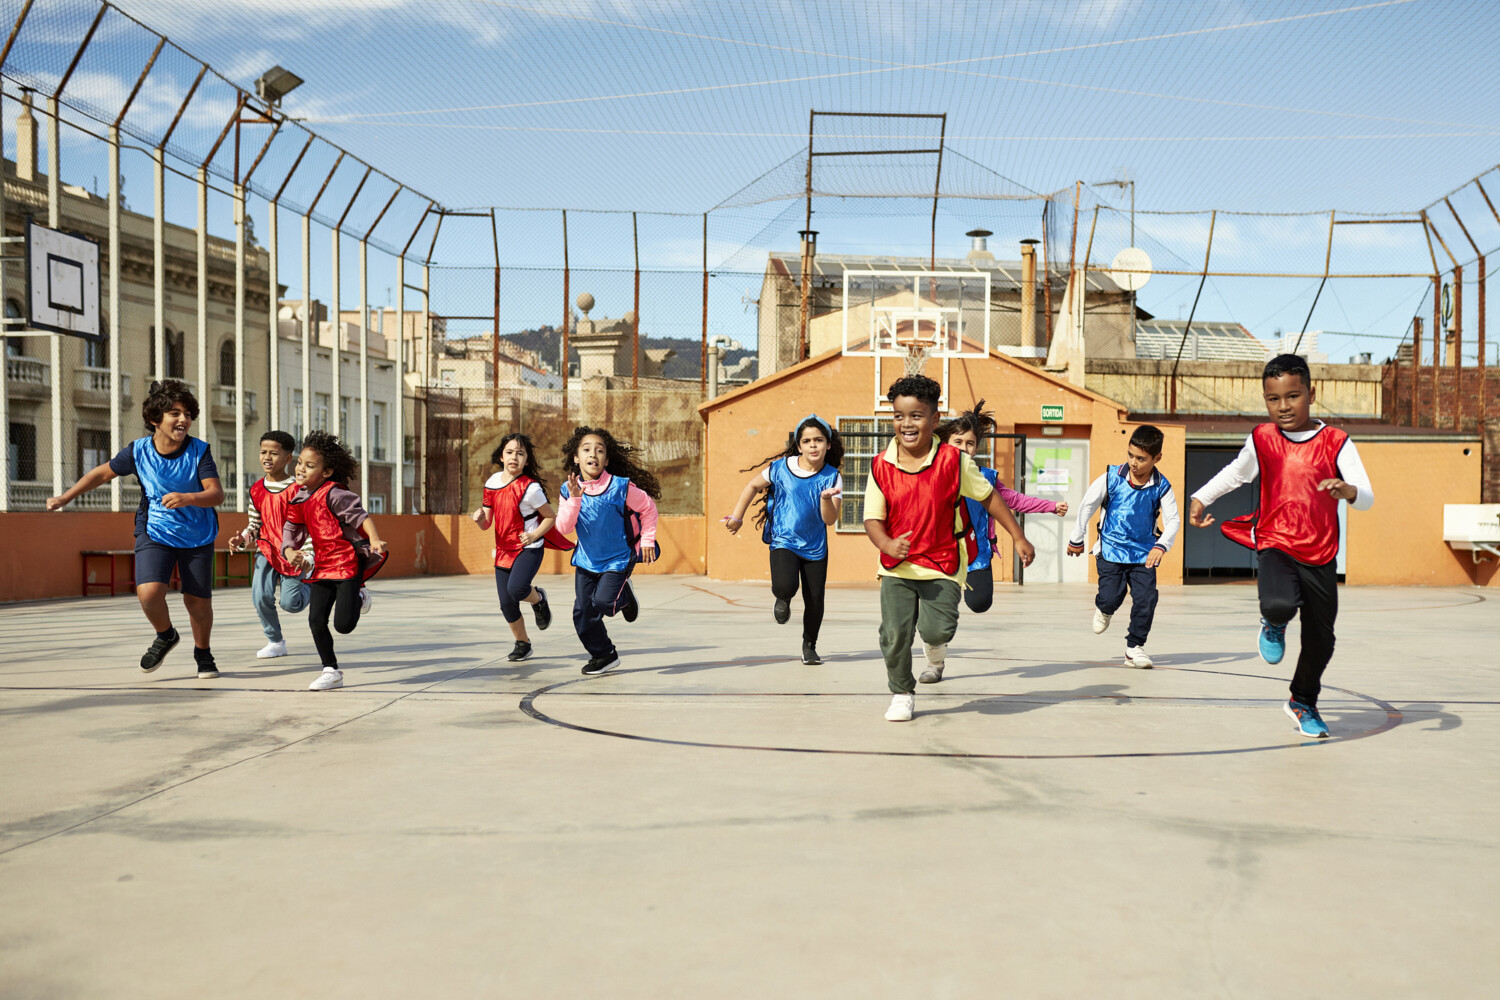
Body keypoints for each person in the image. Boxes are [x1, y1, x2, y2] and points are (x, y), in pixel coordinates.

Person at [1188, 354, 1374, 739]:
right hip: (1275, 541)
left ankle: (1302, 701)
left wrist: (1349, 490)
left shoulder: (1337, 442)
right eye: (1274, 399)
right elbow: (1237, 474)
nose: (1284, 407)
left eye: (1293, 396)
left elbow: (1368, 495)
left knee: (1322, 640)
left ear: (1311, 393)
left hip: (1321, 552)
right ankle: (1273, 625)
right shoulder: (1263, 439)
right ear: (1265, 399)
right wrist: (1201, 498)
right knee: (1279, 604)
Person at [863, 375, 1036, 721]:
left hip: (943, 562)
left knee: (936, 630)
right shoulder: (881, 465)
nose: (906, 424)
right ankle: (901, 692)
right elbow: (872, 518)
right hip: (897, 566)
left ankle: (935, 651)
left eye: (916, 415)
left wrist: (1018, 536)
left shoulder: (954, 462)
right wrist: (886, 542)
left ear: (934, 420)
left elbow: (991, 499)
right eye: (899, 416)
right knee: (894, 632)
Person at [47, 379, 224, 678]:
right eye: (175, 413)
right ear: (156, 419)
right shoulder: (138, 451)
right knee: (149, 594)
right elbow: (101, 473)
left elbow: (216, 494)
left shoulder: (199, 451)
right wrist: (66, 496)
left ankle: (203, 654)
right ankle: (166, 634)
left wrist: (189, 498)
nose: (183, 420)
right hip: (154, 529)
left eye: (187, 414)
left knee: (197, 601)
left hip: (197, 532)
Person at [722, 414, 843, 665]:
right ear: (799, 446)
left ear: (828, 444)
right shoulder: (780, 468)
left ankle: (809, 645)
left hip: (815, 547)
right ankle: (783, 597)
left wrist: (825, 498)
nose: (813, 445)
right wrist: (737, 517)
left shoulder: (832, 477)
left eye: (818, 440)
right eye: (807, 441)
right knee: (785, 586)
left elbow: (830, 520)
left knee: (815, 599)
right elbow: (752, 486)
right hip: (783, 540)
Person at [938, 399, 1068, 626]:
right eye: (957, 441)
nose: (963, 447)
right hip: (941, 551)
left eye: (970, 443)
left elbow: (1015, 500)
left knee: (980, 603)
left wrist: (1050, 506)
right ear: (945, 444)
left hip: (975, 552)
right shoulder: (932, 473)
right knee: (938, 608)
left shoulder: (985, 478)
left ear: (976, 448)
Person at [281, 431, 389, 691]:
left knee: (344, 626)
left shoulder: (336, 494)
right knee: (316, 620)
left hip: (347, 562)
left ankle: (360, 596)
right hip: (322, 565)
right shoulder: (299, 496)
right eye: (299, 463)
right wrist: (288, 551)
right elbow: (291, 528)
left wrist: (374, 539)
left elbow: (362, 517)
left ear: (327, 472)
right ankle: (331, 670)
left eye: (309, 465)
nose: (301, 469)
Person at [1066, 425, 1179, 669]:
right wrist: (1077, 537)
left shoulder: (1162, 486)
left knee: (1147, 599)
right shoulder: (1112, 477)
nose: (1133, 462)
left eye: (1141, 458)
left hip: (1143, 554)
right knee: (1110, 597)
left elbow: (1173, 521)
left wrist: (1161, 545)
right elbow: (1087, 505)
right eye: (1130, 455)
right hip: (1111, 550)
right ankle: (1104, 609)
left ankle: (1134, 647)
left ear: (1157, 458)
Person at [555, 426, 661, 676]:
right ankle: (604, 655)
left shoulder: (620, 487)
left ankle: (622, 597)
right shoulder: (567, 489)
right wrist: (574, 499)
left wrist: (647, 540)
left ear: (607, 459)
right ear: (576, 457)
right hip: (587, 560)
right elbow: (564, 528)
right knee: (582, 613)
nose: (594, 454)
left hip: (619, 558)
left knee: (603, 602)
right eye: (587, 449)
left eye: (600, 450)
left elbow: (648, 508)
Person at [470, 433, 572, 662]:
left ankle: (538, 600)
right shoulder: (492, 483)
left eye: (520, 453)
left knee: (517, 589)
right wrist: (478, 519)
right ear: (501, 456)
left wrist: (534, 534)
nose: (514, 457)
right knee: (506, 603)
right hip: (503, 551)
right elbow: (487, 523)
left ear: (527, 460)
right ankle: (523, 644)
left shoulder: (530, 488)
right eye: (509, 452)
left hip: (529, 548)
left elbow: (550, 517)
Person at [229, 431, 310, 659]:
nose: (267, 457)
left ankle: (315, 584)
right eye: (263, 452)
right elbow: (254, 525)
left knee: (291, 603)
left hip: (293, 554)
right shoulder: (256, 490)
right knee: (260, 596)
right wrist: (242, 540)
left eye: (274, 453)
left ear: (287, 459)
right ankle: (275, 641)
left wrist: (306, 553)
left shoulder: (299, 490)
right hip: (266, 550)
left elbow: (311, 524)